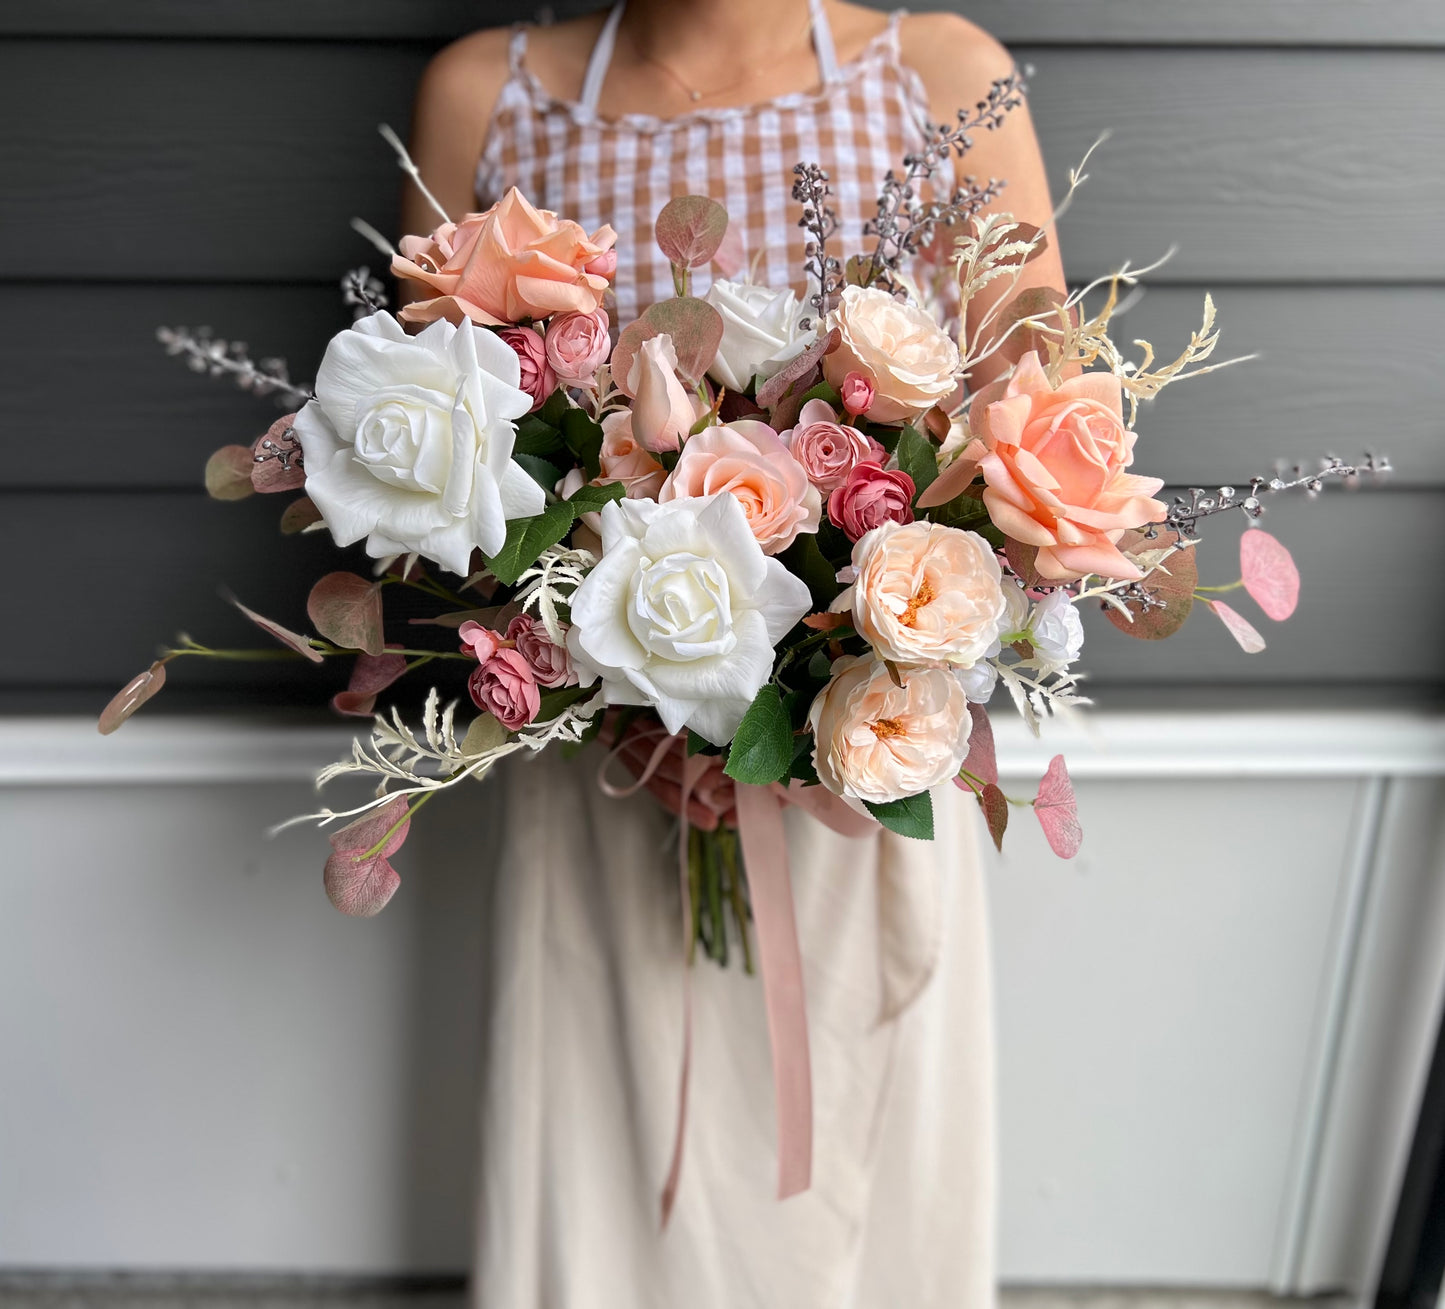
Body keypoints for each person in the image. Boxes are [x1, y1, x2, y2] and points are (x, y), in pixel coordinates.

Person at [400, 3, 1065, 1305]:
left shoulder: (938, 78)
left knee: (865, 1192)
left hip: (863, 762)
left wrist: (849, 657)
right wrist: (615, 697)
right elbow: (438, 488)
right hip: (601, 785)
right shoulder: (485, 95)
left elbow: (1029, 448)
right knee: (605, 1176)